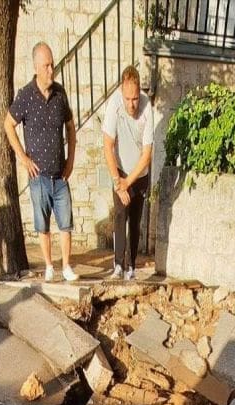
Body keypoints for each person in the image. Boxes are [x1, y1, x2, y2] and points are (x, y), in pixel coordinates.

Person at [4, 42, 78, 282]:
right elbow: (8, 125)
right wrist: (23, 158)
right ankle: (49, 266)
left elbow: (70, 127)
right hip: (38, 177)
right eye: (46, 66)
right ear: (36, 67)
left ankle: (66, 266)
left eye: (52, 65)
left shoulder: (60, 93)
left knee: (66, 224)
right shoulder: (25, 96)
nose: (51, 70)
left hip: (60, 175)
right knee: (42, 225)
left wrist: (71, 161)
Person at [101, 65, 155, 281]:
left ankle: (131, 266)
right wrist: (118, 181)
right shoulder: (114, 104)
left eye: (135, 99)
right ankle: (117, 265)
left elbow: (147, 154)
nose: (131, 104)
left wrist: (128, 182)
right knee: (120, 215)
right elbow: (108, 145)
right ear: (121, 91)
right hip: (121, 170)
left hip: (139, 174)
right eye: (127, 99)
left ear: (139, 92)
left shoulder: (147, 106)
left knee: (135, 220)